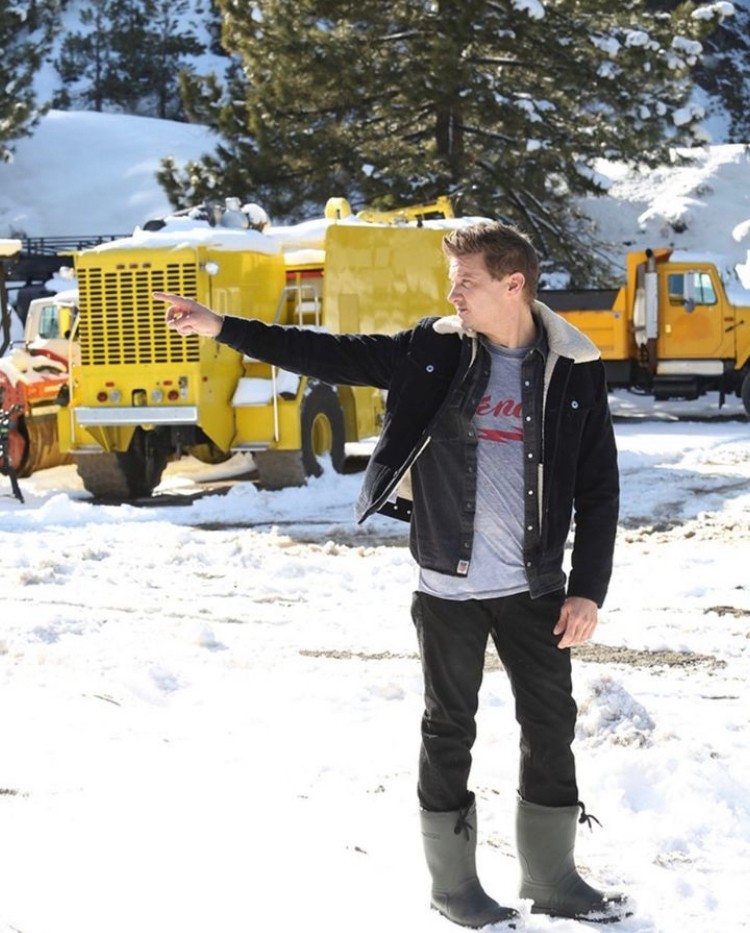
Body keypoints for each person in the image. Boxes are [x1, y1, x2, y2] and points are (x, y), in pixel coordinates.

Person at [155, 220, 624, 929]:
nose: (452, 293)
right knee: (448, 729)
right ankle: (454, 884)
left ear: (512, 284)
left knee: (552, 726)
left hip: (534, 588)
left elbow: (599, 484)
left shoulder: (573, 366)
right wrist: (223, 325)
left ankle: (553, 877)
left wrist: (588, 586)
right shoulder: (434, 349)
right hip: (447, 587)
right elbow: (330, 352)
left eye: (465, 280)